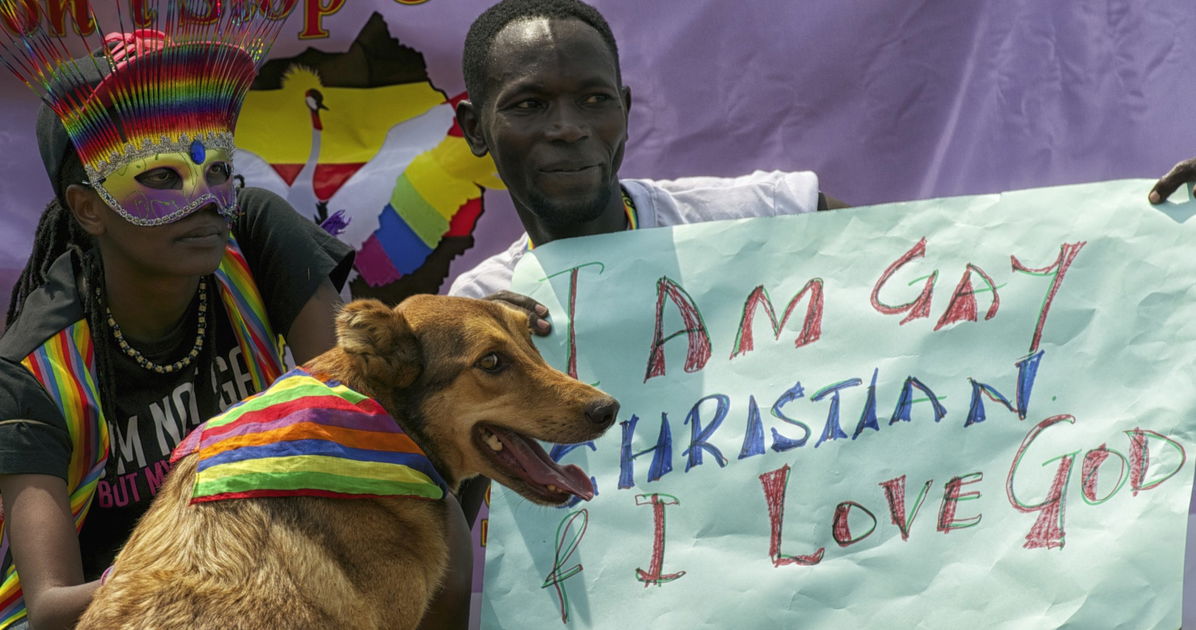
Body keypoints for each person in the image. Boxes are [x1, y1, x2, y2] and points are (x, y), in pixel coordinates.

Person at [0, 12, 470, 630]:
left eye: (217, 169)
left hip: (276, 590)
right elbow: (53, 608)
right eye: (162, 176)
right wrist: (203, 561)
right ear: (89, 208)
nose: (204, 199)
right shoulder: (35, 367)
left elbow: (376, 436)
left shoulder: (252, 233)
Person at [449, 0, 846, 304]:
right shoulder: (483, 303)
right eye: (529, 105)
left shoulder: (754, 219)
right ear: (475, 129)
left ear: (625, 110)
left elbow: (889, 242)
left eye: (594, 99)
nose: (568, 129)